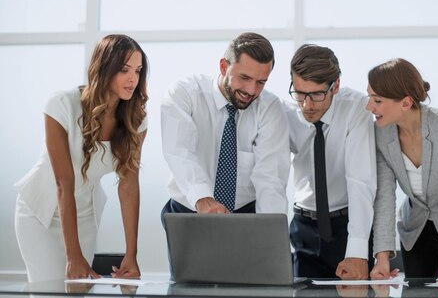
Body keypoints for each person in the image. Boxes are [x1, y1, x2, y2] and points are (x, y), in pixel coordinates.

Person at [15, 34, 148, 282]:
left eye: (138, 71)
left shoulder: (135, 119)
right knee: (47, 290)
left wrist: (132, 254)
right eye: (124, 69)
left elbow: (129, 185)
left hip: (84, 216)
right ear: (104, 68)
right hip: (40, 213)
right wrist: (73, 255)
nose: (133, 78)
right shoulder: (62, 105)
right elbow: (63, 184)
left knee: (77, 292)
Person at [366, 58, 438, 281]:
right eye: (369, 97)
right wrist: (382, 257)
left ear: (406, 103)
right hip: (414, 228)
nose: (369, 107)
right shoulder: (380, 133)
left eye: (377, 100)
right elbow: (384, 197)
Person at [160, 32, 289, 221]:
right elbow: (180, 153)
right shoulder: (184, 93)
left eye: (260, 82)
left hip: (244, 214)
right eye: (244, 77)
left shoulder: (269, 108)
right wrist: (202, 198)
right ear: (223, 67)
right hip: (189, 210)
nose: (251, 91)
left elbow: (271, 179)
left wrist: (270, 230)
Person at [284, 44, 376, 280]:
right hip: (303, 226)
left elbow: (360, 180)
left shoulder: (356, 108)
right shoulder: (284, 112)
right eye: (300, 93)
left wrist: (357, 252)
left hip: (347, 224)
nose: (307, 105)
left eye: (316, 94)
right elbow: (271, 176)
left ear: (335, 85)